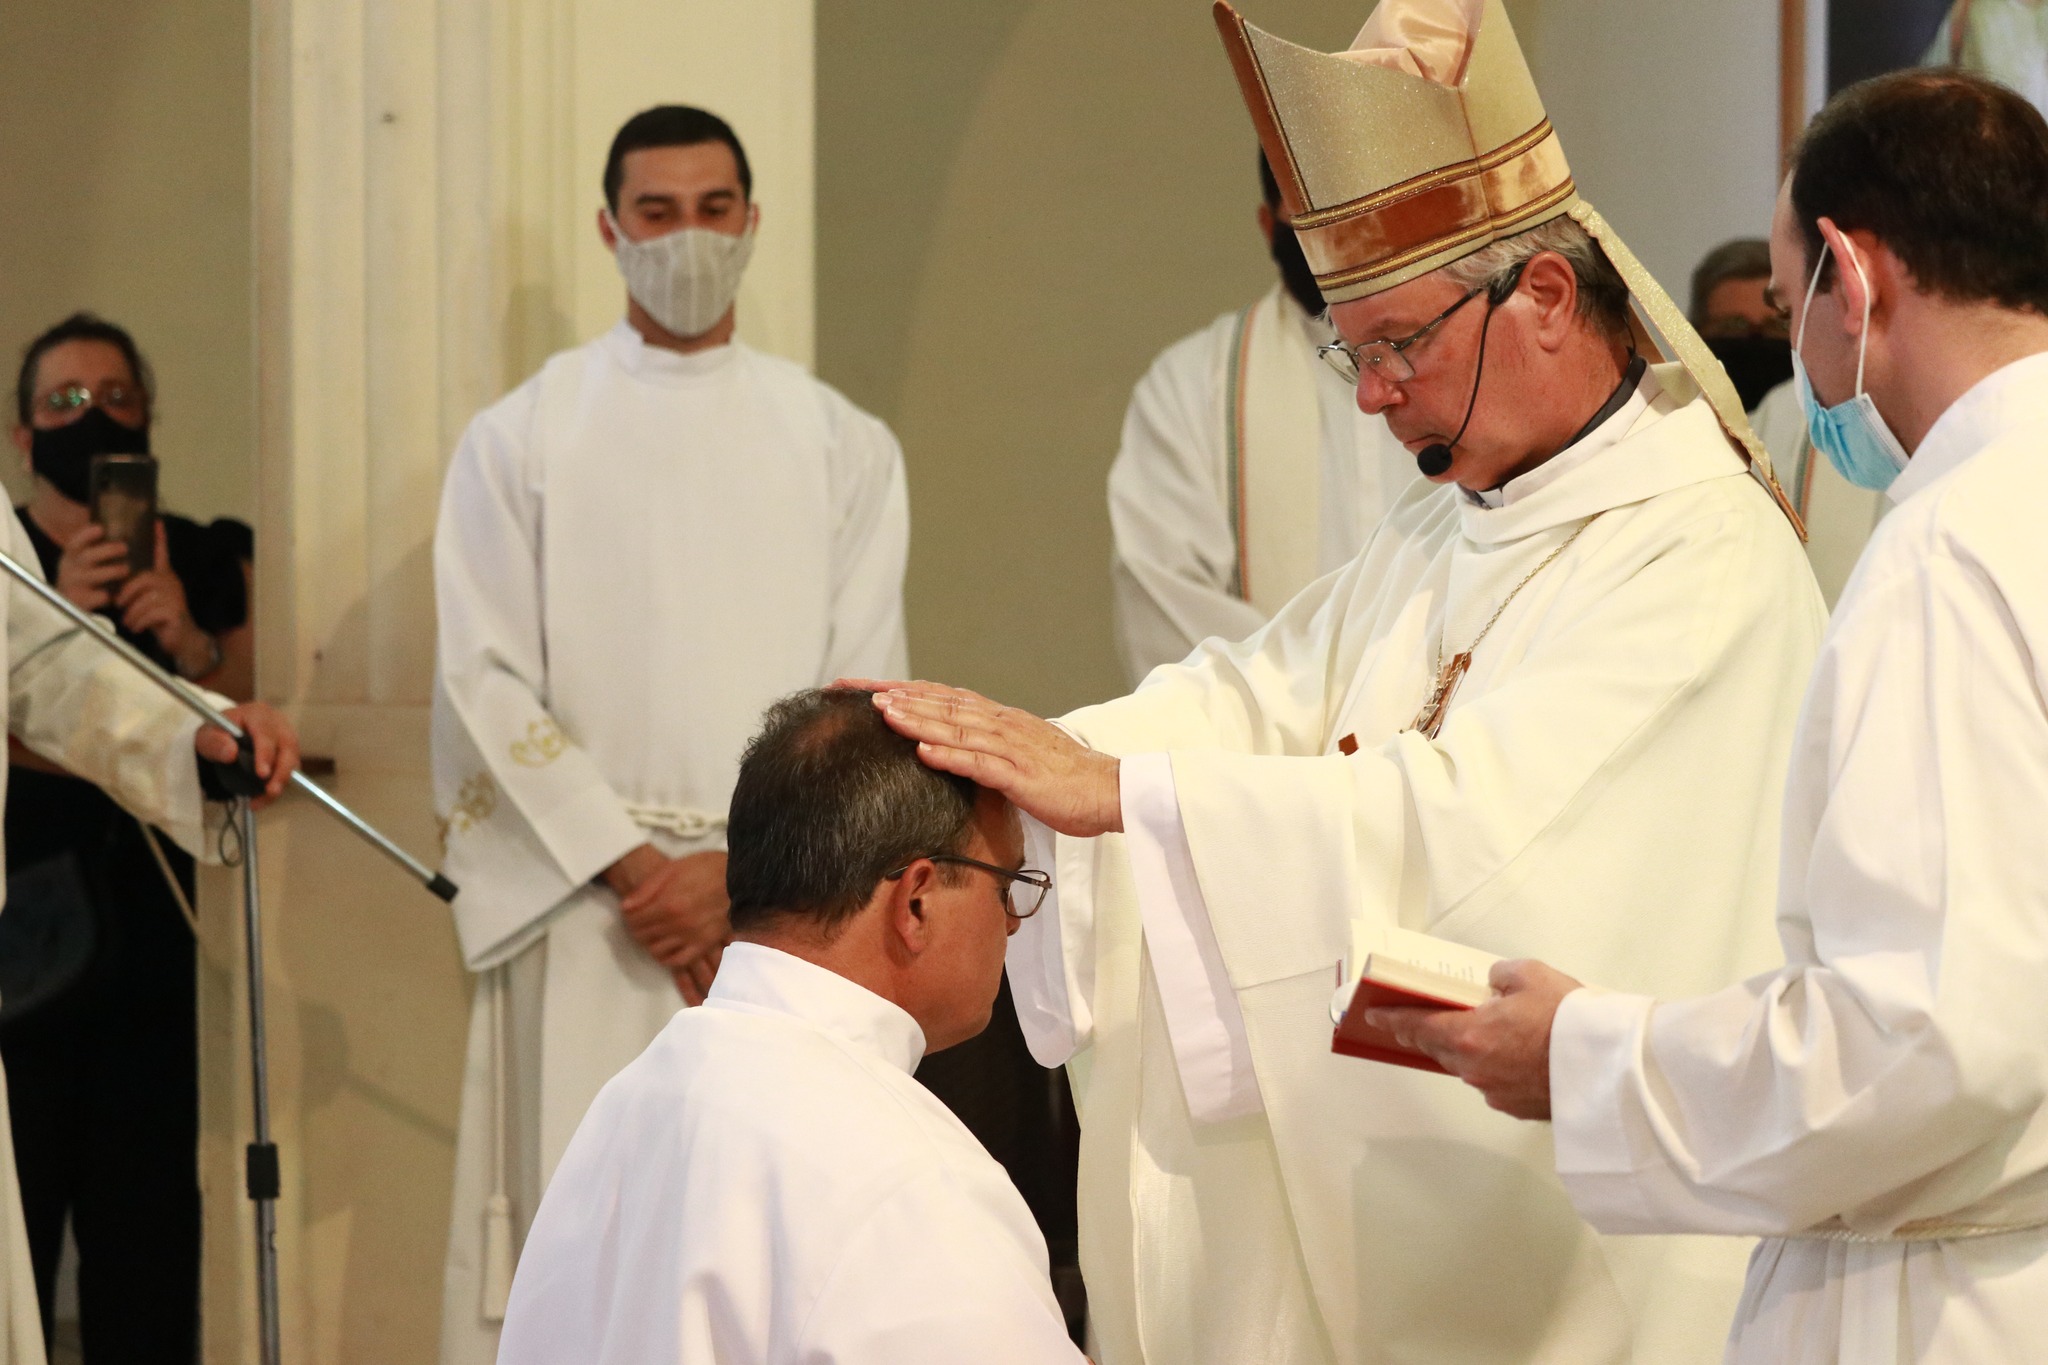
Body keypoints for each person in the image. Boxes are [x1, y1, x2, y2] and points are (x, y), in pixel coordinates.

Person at [862, 2, 1825, 1360]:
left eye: (1397, 344)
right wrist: (1047, 757)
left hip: (1585, 1249)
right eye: (1350, 350)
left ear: (1545, 296)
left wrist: (1134, 796)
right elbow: (1264, 689)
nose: (1372, 396)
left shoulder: (1694, 551)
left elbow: (1486, 829)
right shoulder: (1459, 514)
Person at [1374, 66, 2048, 1365]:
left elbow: (1922, 1043)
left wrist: (1586, 1055)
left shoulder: (1952, 550)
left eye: (1793, 308)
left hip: (1959, 1296)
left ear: (1854, 279)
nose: (1798, 348)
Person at [431, 105, 909, 1364]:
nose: (685, 237)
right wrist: (645, 875)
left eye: (711, 209)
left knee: (760, 1245)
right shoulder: (520, 438)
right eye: (656, 213)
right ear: (610, 229)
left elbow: (859, 697)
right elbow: (483, 680)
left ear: (751, 222)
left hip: (775, 921)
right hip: (595, 914)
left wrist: (738, 883)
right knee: (581, 1246)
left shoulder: (841, 444)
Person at [496, 688, 1086, 1365]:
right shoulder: (911, 1171)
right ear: (916, 899)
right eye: (1006, 882)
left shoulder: (627, 1104)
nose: (1013, 921)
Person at [1, 312, 259, 1363]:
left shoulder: (193, 548)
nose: (89, 420)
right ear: (23, 433)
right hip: (30, 926)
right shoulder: (26, 547)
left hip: (150, 929)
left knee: (144, 1226)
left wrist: (186, 689)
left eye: (112, 397)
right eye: (61, 402)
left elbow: (42, 679)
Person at [1108, 155, 1415, 683]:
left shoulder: (1465, 370)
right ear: (1269, 227)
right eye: (1311, 224)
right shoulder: (1192, 386)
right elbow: (1164, 603)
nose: (1339, 248)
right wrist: (1340, 700)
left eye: (1354, 220)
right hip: (1263, 753)